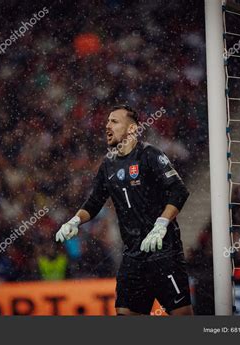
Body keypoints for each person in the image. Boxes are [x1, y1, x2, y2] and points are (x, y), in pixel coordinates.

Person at [55, 105, 193, 315]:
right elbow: (94, 202)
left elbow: (179, 190)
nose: (107, 126)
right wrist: (74, 220)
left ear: (132, 129)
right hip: (132, 256)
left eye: (114, 121)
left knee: (181, 315)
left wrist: (161, 225)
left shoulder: (150, 155)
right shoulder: (108, 165)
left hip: (164, 252)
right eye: (107, 121)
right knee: (126, 314)